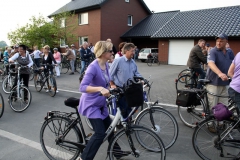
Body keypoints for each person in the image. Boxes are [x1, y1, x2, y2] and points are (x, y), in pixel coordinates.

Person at [78, 41, 127, 160]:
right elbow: (82, 87)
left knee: (109, 130)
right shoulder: (93, 67)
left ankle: (117, 152)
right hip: (91, 105)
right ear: (103, 52)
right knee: (100, 133)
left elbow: (107, 83)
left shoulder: (106, 65)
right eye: (110, 51)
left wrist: (115, 88)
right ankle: (84, 158)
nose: (113, 53)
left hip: (101, 104)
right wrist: (100, 89)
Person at [110, 43, 142, 118]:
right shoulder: (118, 61)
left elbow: (136, 73)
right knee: (124, 109)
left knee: (129, 108)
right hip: (120, 89)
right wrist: (112, 84)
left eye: (134, 51)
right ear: (126, 51)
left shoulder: (133, 62)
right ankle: (122, 125)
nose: (134, 53)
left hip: (130, 89)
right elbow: (110, 74)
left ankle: (128, 125)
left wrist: (142, 79)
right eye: (132, 51)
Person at [206, 33, 234, 108]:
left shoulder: (230, 52)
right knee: (213, 106)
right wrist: (220, 73)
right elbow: (210, 63)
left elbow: (234, 64)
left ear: (226, 42)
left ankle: (221, 120)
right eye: (217, 41)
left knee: (224, 107)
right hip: (214, 83)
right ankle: (211, 119)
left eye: (221, 41)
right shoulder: (213, 51)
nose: (218, 43)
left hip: (225, 83)